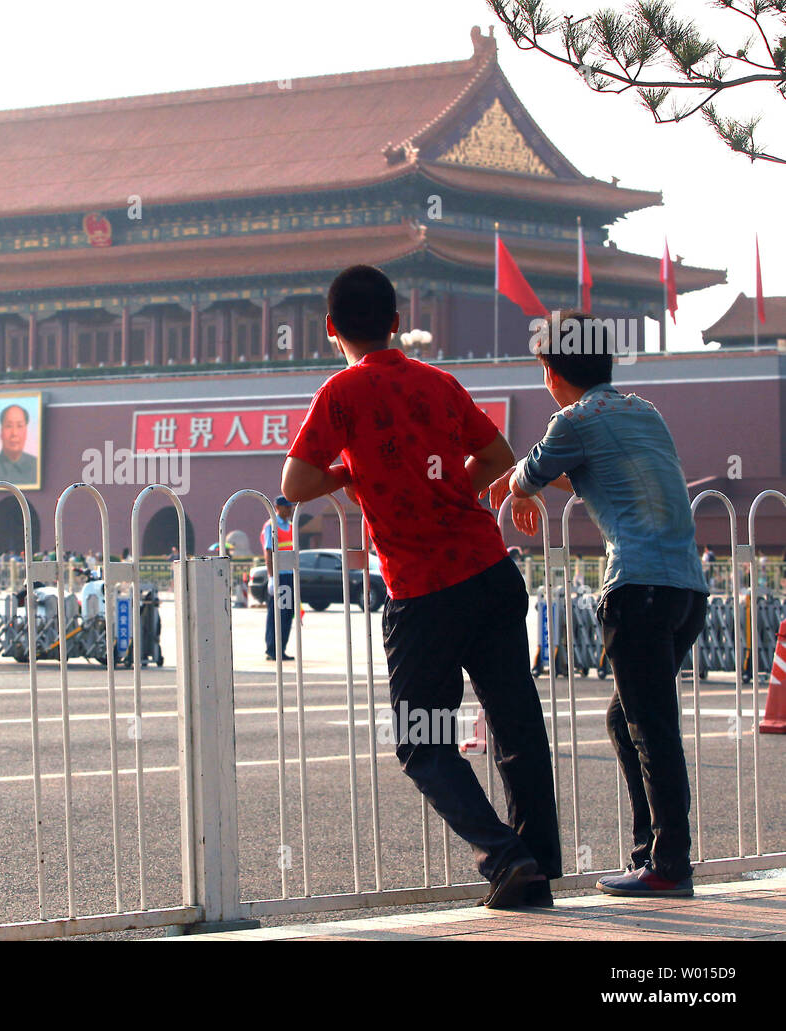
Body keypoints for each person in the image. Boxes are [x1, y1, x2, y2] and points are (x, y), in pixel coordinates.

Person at [281, 264, 560, 908]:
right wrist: (444, 488)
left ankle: (506, 856)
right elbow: (495, 458)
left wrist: (352, 472)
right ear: (398, 322)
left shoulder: (342, 394)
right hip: (490, 572)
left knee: (421, 740)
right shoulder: (439, 382)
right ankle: (539, 866)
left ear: (330, 329)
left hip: (423, 591)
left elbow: (295, 484)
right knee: (515, 724)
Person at [487, 311, 708, 899]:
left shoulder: (574, 419)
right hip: (687, 591)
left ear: (552, 372)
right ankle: (655, 855)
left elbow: (528, 474)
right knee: (630, 718)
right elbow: (583, 473)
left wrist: (518, 485)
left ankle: (668, 864)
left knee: (649, 727)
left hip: (637, 589)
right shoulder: (643, 412)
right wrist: (528, 480)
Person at [263, 497, 296, 662]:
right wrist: (271, 577)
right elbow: (268, 552)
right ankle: (272, 649)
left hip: (290, 576)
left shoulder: (290, 526)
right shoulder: (271, 525)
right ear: (278, 507)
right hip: (279, 576)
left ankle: (281, 648)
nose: (290, 510)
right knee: (277, 614)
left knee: (288, 613)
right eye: (287, 507)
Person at [0, 403, 38, 484]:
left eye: (20, 426)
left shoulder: (35, 465)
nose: (14, 433)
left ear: (26, 431)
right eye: (9, 426)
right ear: (1, 431)